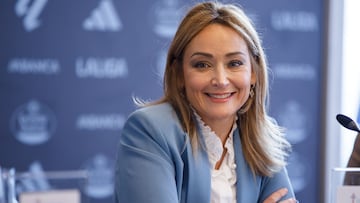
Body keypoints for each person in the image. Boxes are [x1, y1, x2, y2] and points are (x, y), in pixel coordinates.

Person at [115, 1, 297, 203]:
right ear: (179, 74)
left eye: (234, 63)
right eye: (202, 65)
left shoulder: (262, 136)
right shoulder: (149, 130)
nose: (220, 80)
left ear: (253, 72)